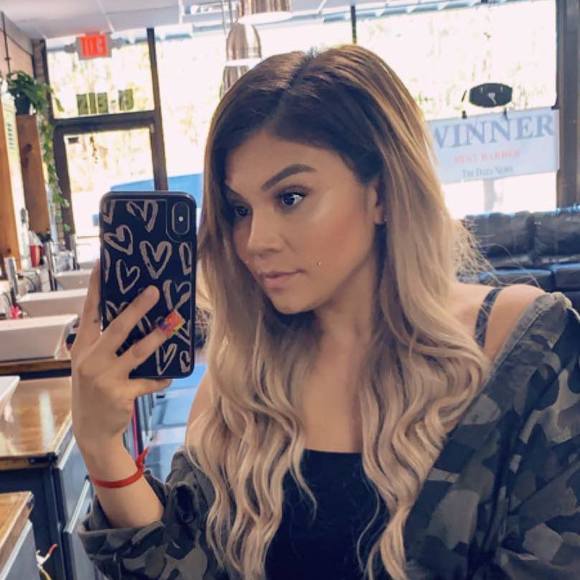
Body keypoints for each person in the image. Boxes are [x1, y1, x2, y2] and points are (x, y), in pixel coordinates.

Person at [75, 45, 580, 580]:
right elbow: (188, 568)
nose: (256, 240)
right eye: (240, 209)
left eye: (290, 197)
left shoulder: (526, 354)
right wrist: (102, 448)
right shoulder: (239, 383)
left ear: (381, 193)